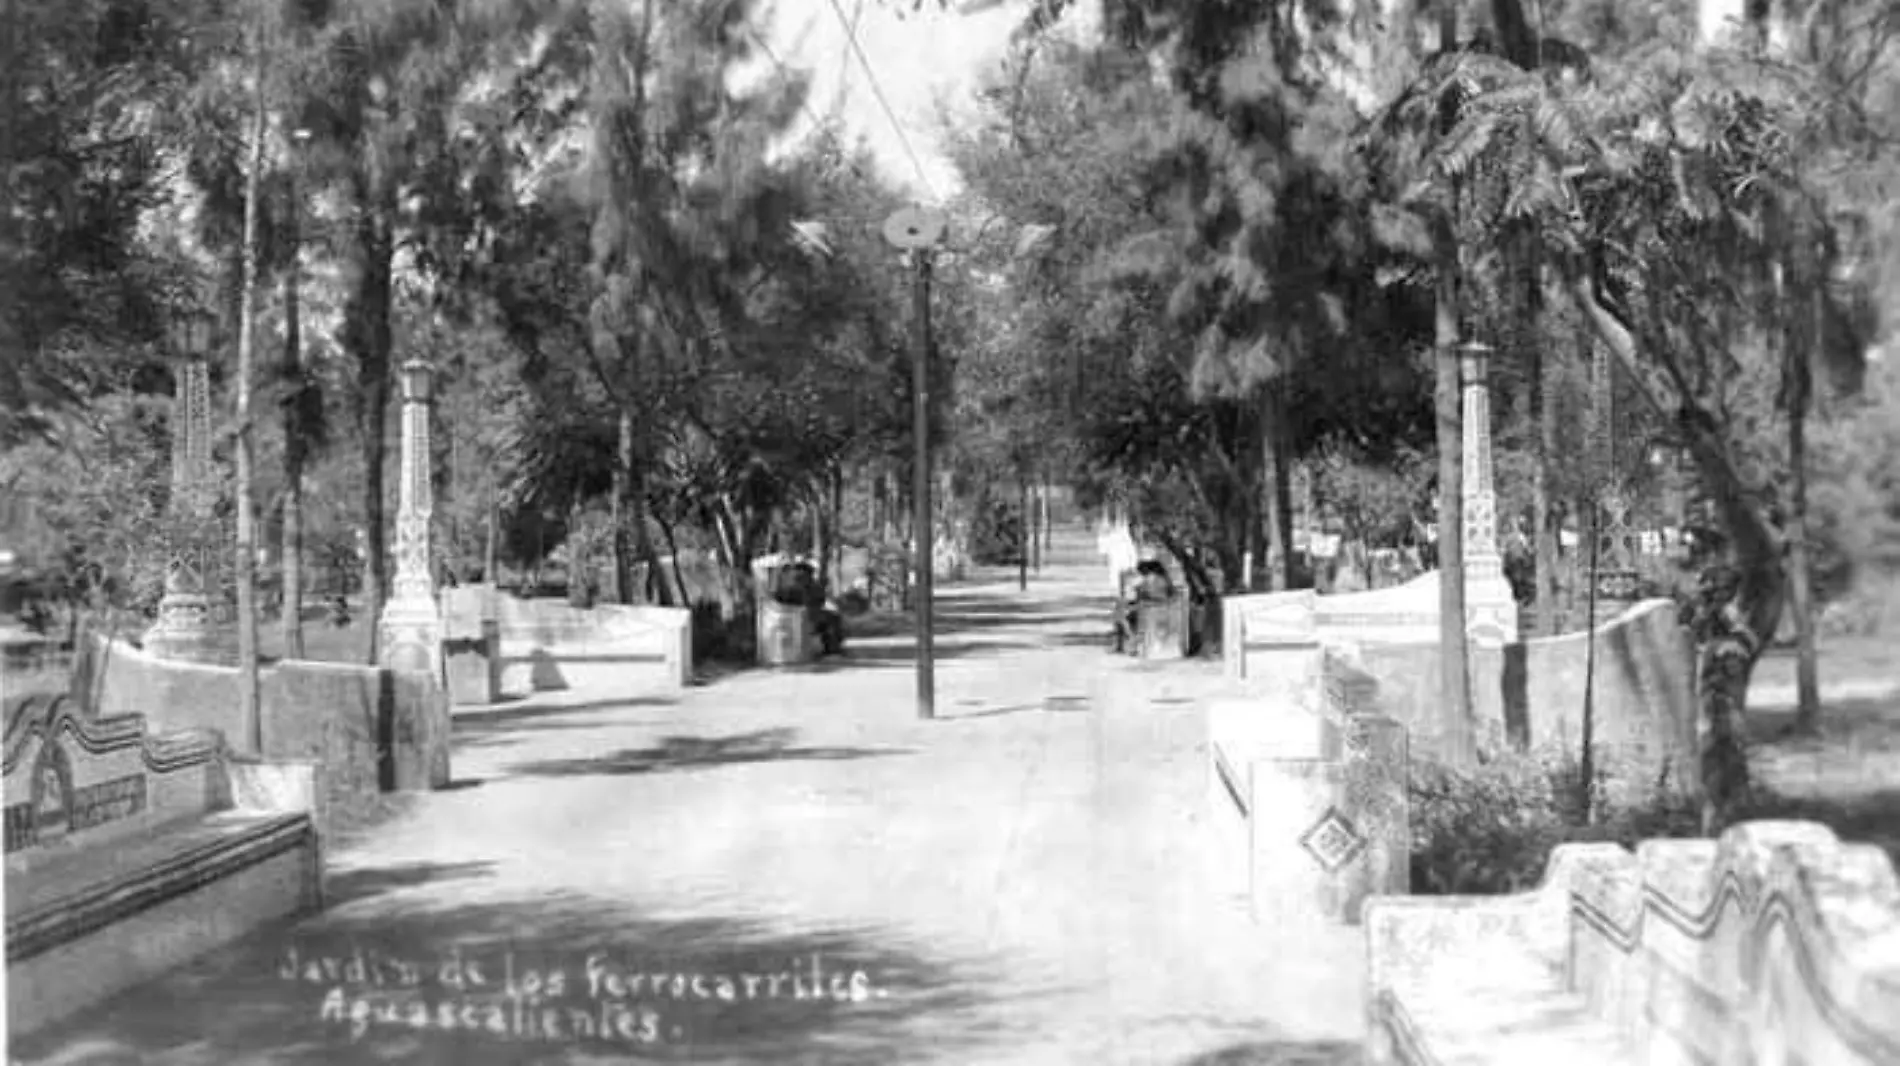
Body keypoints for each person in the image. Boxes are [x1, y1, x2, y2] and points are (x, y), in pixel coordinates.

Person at [1112, 560, 1174, 654]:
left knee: (1120, 615)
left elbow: (1141, 594)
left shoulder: (1150, 579)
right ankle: (1129, 642)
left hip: (1149, 608)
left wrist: (1134, 594)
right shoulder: (1165, 579)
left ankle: (1129, 642)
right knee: (1122, 612)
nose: (1140, 573)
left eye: (1141, 571)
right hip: (1159, 607)